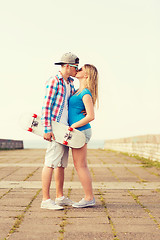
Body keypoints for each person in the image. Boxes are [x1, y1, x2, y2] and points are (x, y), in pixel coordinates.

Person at [41, 52, 79, 210]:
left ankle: (59, 196)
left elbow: (73, 104)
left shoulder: (70, 83)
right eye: (75, 67)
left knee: (61, 164)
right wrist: (47, 129)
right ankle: (45, 200)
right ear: (68, 66)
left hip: (65, 130)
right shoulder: (54, 81)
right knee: (50, 163)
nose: (77, 70)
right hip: (55, 128)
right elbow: (46, 106)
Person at [68, 64, 98, 208]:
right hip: (78, 131)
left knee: (80, 166)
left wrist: (73, 126)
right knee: (79, 165)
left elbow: (91, 116)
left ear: (86, 75)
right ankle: (88, 197)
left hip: (81, 131)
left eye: (80, 70)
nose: (77, 70)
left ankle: (89, 198)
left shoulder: (85, 93)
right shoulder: (77, 91)